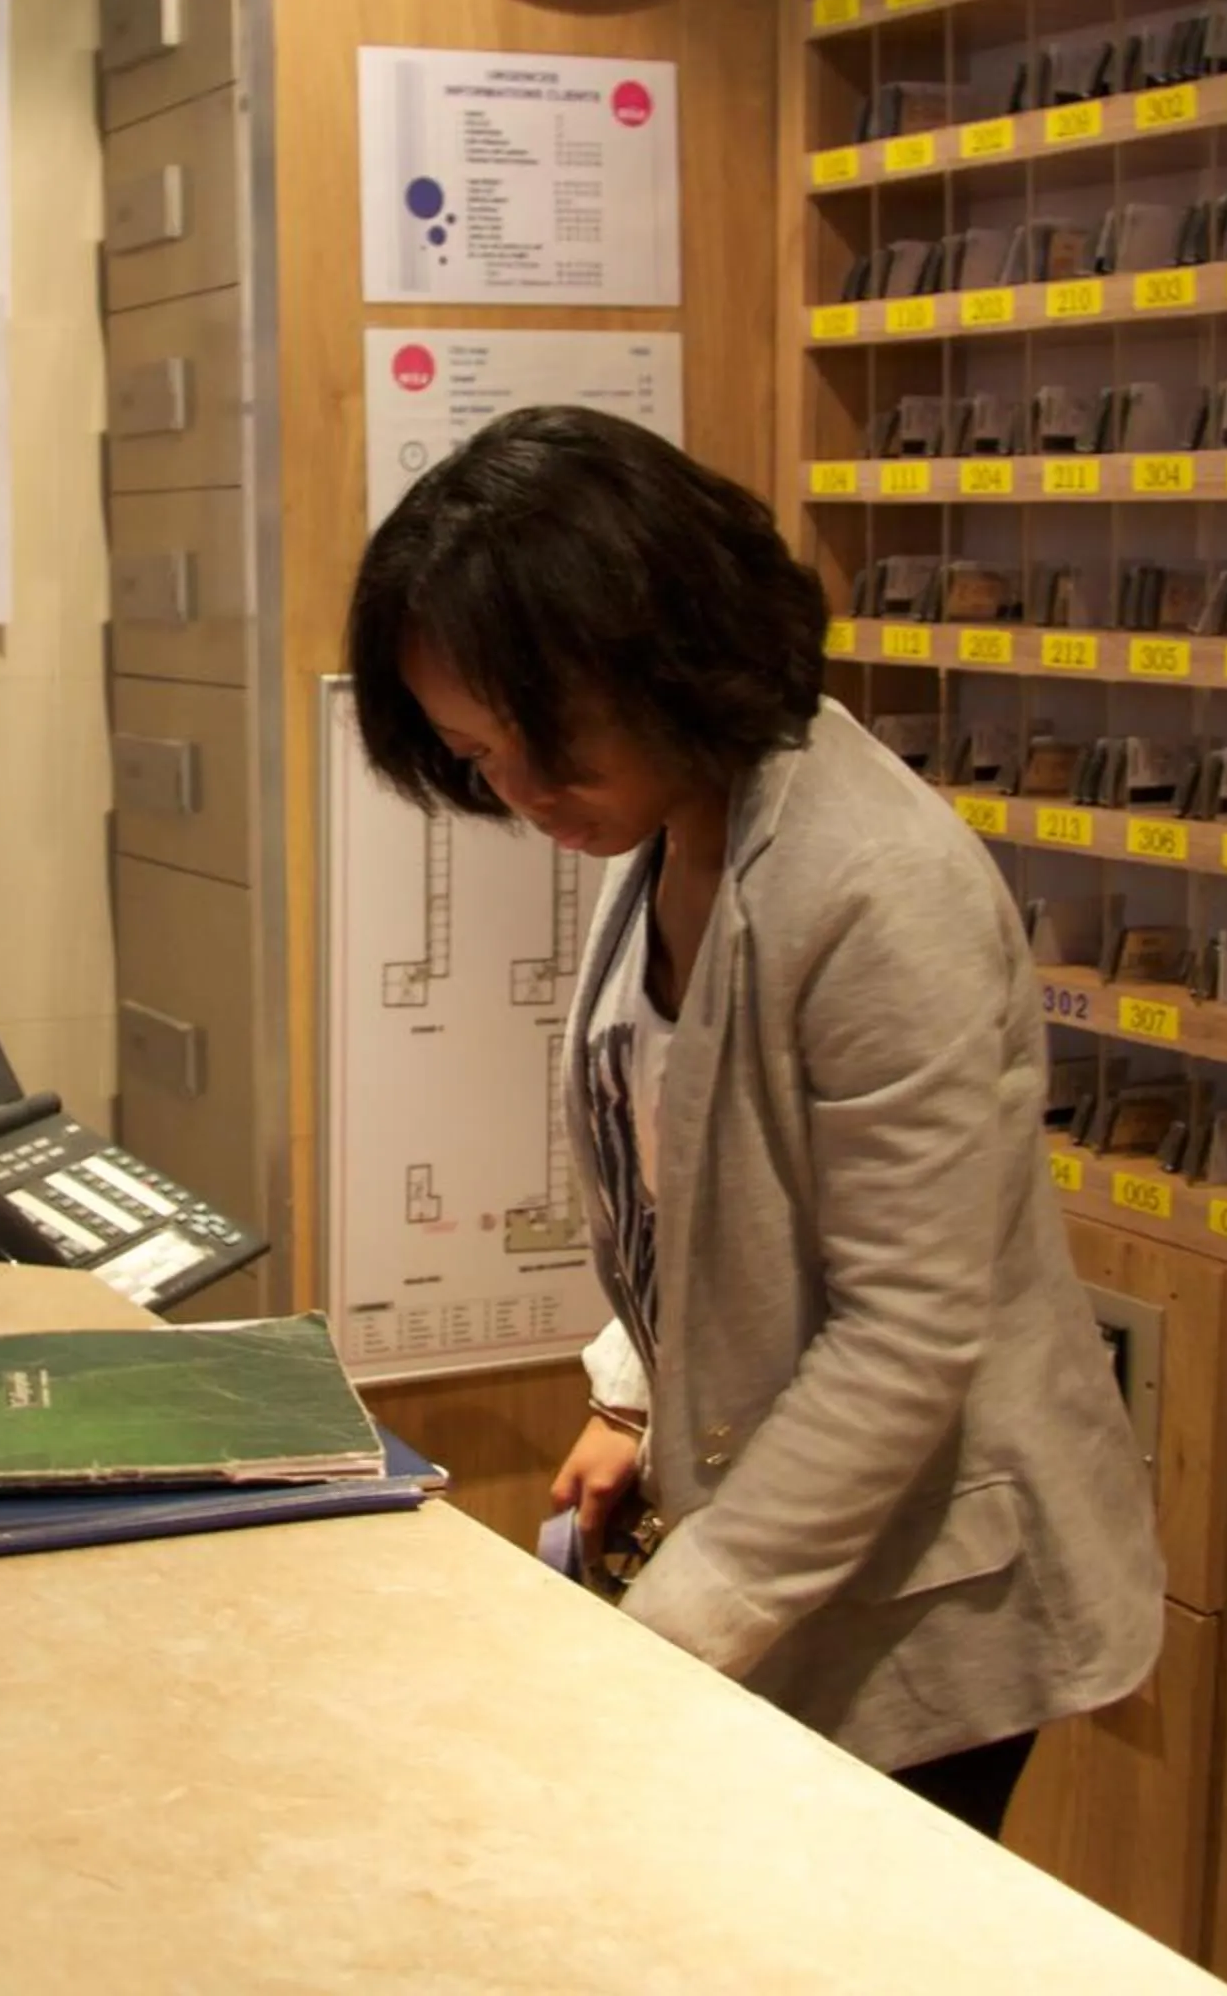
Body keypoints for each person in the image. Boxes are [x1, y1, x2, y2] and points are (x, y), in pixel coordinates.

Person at [349, 406, 1162, 1837]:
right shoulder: (673, 818)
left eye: (548, 751)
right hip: (776, 1519)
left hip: (929, 1582)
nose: (524, 798)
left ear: (671, 661)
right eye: (480, 759)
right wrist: (633, 1390)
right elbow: (697, 1182)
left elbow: (904, 1332)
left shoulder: (874, 892)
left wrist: (674, 1630)